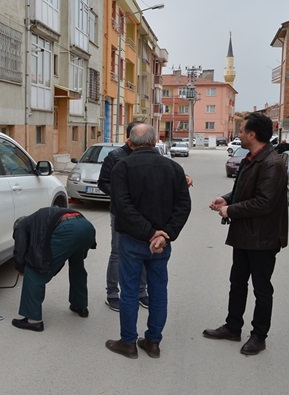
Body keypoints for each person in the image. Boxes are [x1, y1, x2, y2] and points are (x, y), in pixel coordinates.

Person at [203, 112, 288, 356]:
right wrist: (226, 198)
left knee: (262, 289)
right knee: (237, 283)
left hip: (263, 238)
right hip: (244, 233)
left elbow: (264, 203)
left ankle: (259, 335)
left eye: (241, 130)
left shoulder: (273, 163)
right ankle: (232, 327)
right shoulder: (251, 158)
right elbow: (243, 190)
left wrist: (230, 209)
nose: (238, 134)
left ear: (252, 135)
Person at [104, 123, 191, 359]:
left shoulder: (122, 167)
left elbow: (122, 206)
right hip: (161, 243)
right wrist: (164, 234)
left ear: (130, 143)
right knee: (158, 290)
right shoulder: (174, 168)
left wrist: (150, 233)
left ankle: (128, 343)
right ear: (155, 142)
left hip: (133, 240)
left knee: (130, 291)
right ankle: (153, 342)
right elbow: (183, 206)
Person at [11, 207, 97, 332]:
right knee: (77, 265)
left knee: (34, 270)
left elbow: (20, 251)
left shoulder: (22, 226)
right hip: (86, 227)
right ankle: (80, 306)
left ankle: (33, 320)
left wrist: (21, 268)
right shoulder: (39, 217)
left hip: (68, 229)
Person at [97, 121, 149, 312]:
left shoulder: (148, 154)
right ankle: (112, 294)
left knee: (144, 251)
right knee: (117, 252)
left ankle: (141, 293)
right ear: (130, 137)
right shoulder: (115, 156)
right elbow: (103, 183)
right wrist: (121, 196)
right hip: (120, 212)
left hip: (144, 213)